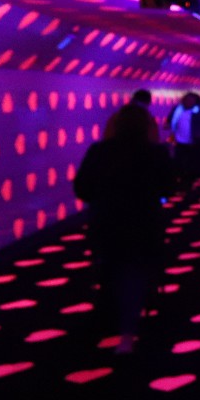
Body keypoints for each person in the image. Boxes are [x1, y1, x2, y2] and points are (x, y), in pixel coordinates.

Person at [73, 102, 175, 353]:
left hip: (106, 221)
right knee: (134, 272)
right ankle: (128, 332)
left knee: (109, 269)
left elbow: (82, 188)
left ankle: (107, 320)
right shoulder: (156, 152)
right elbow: (168, 187)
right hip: (144, 221)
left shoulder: (99, 151)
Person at [168, 92, 200, 188]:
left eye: (191, 100)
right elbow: (170, 121)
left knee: (192, 163)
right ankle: (182, 180)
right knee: (180, 162)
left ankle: (189, 181)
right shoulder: (177, 110)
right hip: (179, 141)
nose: (188, 102)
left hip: (195, 142)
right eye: (186, 100)